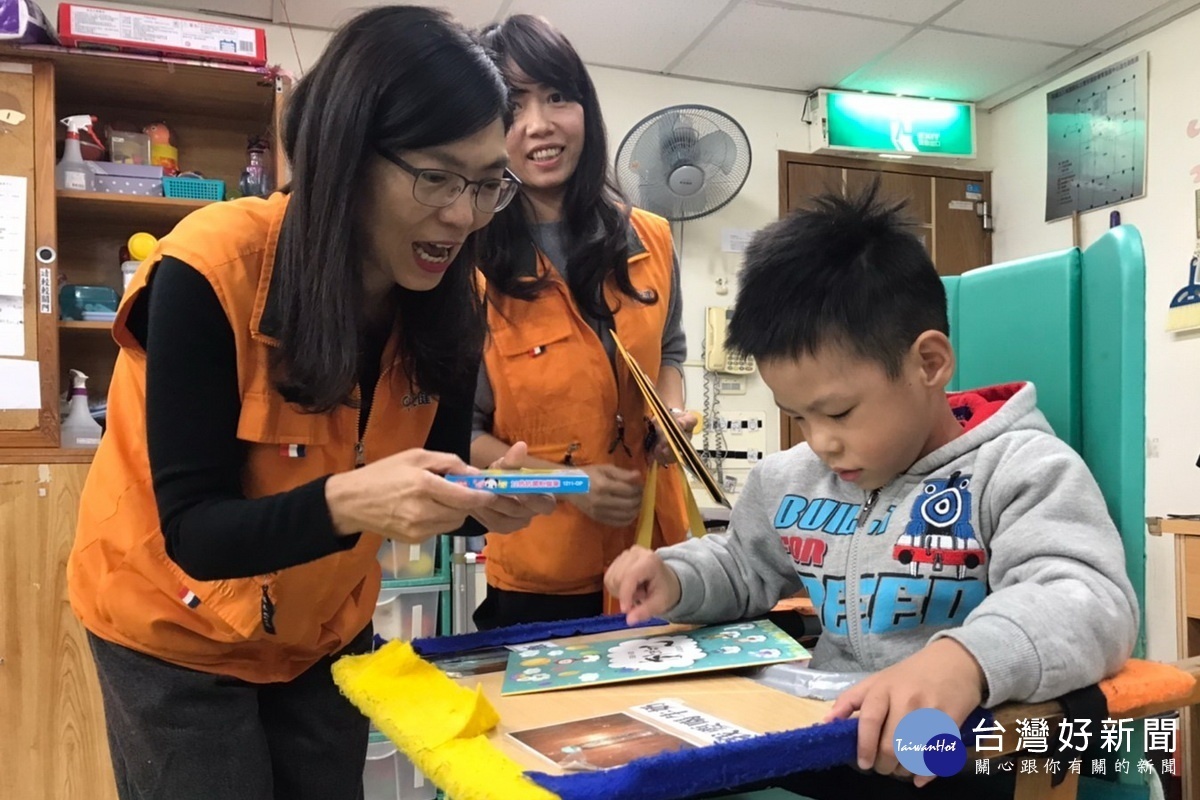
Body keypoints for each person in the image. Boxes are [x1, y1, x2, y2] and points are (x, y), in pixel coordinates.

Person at [66, 8, 554, 800]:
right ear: (345, 155)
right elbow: (196, 532)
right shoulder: (209, 268)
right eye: (435, 177)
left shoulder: (452, 300)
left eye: (486, 183)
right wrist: (351, 500)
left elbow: (431, 484)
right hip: (172, 629)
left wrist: (485, 500)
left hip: (324, 628)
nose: (463, 216)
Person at [605, 186, 1138, 797]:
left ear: (929, 363)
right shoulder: (792, 478)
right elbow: (740, 564)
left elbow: (1087, 597)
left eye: (839, 411)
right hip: (823, 735)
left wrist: (964, 659)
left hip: (949, 748)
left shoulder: (1019, 469)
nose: (821, 442)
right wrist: (674, 578)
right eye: (798, 416)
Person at [469, 14, 695, 629]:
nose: (539, 124)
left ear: (585, 109)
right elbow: (460, 435)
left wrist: (670, 414)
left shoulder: (649, 237)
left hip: (657, 548)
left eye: (557, 96)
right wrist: (569, 484)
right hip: (543, 573)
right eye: (513, 108)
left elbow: (669, 350)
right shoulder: (470, 263)